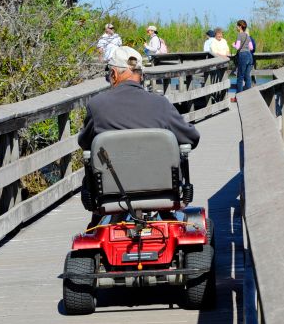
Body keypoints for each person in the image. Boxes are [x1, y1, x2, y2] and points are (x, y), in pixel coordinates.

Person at [78, 45, 201, 228]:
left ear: (113, 74)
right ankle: (167, 216)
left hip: (111, 192)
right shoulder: (160, 104)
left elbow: (85, 143)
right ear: (141, 74)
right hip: (163, 188)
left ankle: (97, 226)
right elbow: (192, 137)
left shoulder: (97, 106)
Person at [233, 19, 254, 98]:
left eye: (237, 26)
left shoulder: (239, 35)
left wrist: (233, 45)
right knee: (247, 76)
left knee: (240, 76)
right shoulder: (247, 36)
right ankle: (248, 95)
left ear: (240, 27)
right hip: (249, 56)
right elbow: (251, 48)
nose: (236, 27)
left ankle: (239, 96)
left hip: (243, 56)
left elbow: (237, 47)